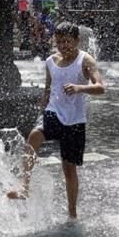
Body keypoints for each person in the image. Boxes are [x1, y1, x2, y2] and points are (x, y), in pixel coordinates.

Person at [8, 22, 105, 219]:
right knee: (35, 135)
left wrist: (80, 88)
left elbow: (101, 87)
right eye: (59, 41)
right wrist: (43, 103)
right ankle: (24, 186)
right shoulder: (51, 61)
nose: (62, 46)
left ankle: (72, 212)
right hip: (53, 113)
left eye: (67, 41)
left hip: (75, 121)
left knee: (69, 169)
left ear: (77, 40)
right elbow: (48, 87)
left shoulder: (85, 60)